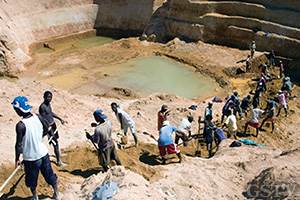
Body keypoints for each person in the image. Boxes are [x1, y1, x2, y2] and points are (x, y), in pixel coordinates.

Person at [12, 96, 59, 200]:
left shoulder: (20, 125)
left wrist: (17, 158)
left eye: (16, 109)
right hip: (43, 153)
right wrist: (39, 138)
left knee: (31, 179)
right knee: (49, 174)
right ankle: (56, 192)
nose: (15, 111)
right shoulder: (38, 117)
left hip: (31, 158)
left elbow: (18, 144)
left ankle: (35, 196)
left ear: (20, 110)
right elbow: (46, 128)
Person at [39, 91, 66, 167]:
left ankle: (58, 154)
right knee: (55, 142)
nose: (49, 99)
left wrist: (59, 119)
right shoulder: (42, 107)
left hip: (53, 124)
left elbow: (50, 113)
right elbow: (43, 119)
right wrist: (48, 129)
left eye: (50, 97)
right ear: (44, 97)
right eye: (48, 97)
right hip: (49, 126)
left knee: (56, 139)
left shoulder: (48, 105)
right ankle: (59, 161)